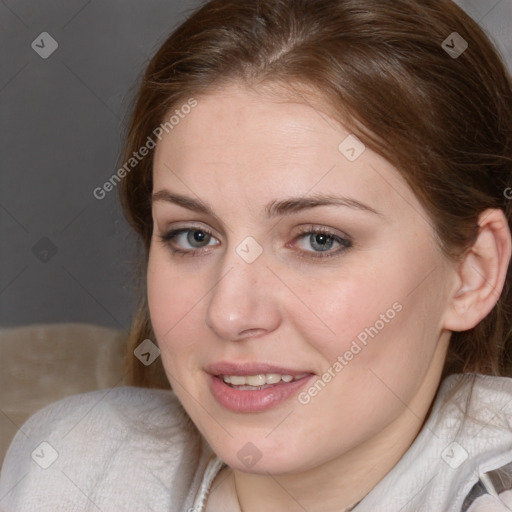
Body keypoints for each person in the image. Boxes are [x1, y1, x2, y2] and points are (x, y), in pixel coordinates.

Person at [2, 0, 512, 510]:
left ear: (472, 272)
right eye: (194, 236)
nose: (229, 313)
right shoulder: (73, 467)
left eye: (319, 240)